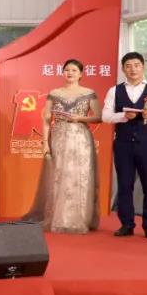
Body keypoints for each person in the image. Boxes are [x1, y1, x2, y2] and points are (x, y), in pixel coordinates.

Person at [21, 59, 101, 234]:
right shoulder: (54, 93)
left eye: (74, 70)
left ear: (81, 74)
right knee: (58, 176)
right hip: (58, 137)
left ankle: (79, 219)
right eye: (67, 70)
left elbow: (98, 117)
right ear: (62, 72)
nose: (70, 73)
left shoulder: (89, 93)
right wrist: (45, 143)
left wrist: (79, 118)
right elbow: (46, 120)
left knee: (80, 177)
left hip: (81, 138)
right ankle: (59, 217)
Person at [102, 52, 147, 239]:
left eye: (136, 65)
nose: (133, 69)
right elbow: (105, 116)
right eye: (128, 66)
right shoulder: (114, 91)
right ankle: (126, 224)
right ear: (123, 69)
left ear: (143, 67)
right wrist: (123, 116)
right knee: (125, 185)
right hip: (123, 145)